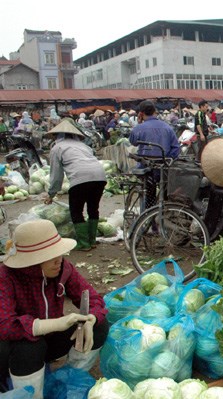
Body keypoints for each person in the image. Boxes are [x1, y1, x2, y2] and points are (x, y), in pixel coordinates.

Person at [0, 219, 108, 399]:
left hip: (47, 345)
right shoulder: (6, 277)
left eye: (59, 253)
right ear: (32, 261)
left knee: (100, 326)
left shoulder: (63, 269)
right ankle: (30, 394)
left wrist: (91, 318)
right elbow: (5, 325)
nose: (59, 260)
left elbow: (93, 298)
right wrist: (55, 324)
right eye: (51, 256)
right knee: (30, 346)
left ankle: (68, 379)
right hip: (13, 353)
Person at [44, 120, 107, 251]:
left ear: (57, 135)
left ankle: (84, 244)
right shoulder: (84, 146)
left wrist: (51, 194)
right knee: (93, 208)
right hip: (100, 176)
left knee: (76, 211)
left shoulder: (57, 148)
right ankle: (92, 241)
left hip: (80, 179)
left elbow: (56, 175)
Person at [129, 100, 180, 210]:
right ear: (154, 111)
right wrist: (166, 159)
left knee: (148, 194)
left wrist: (139, 123)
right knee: (164, 192)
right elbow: (176, 149)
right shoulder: (167, 127)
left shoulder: (139, 128)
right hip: (164, 169)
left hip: (146, 170)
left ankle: (144, 220)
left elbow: (133, 141)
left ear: (141, 114)